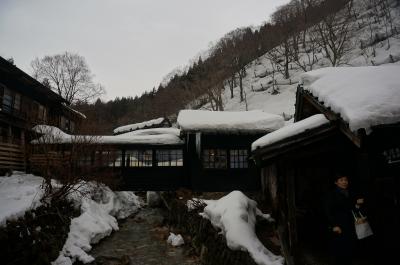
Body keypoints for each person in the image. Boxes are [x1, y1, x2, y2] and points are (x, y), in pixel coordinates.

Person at [324, 173, 364, 265]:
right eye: (341, 180)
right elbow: (327, 211)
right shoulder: (332, 195)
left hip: (350, 226)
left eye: (346, 180)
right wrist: (334, 225)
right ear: (336, 182)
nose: (344, 182)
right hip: (339, 227)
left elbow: (352, 209)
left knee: (349, 251)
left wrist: (357, 205)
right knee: (339, 252)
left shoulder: (350, 193)